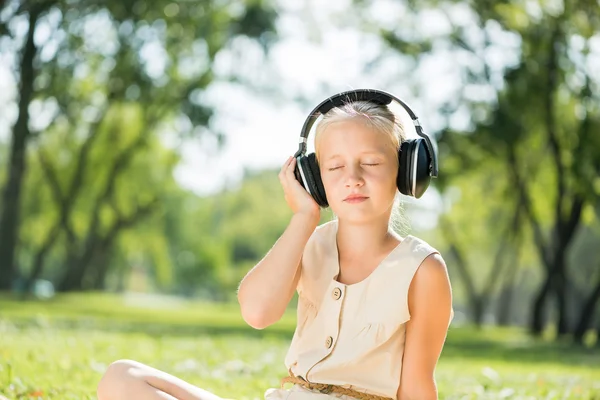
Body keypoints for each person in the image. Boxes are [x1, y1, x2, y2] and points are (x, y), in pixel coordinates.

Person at [96, 90, 453, 400]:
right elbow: (257, 311)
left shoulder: (422, 270)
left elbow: (417, 390)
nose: (353, 179)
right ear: (314, 178)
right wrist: (303, 218)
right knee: (122, 378)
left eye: (371, 163)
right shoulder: (310, 242)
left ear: (408, 169)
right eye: (334, 167)